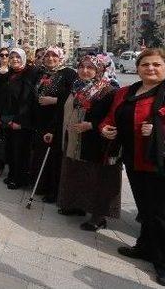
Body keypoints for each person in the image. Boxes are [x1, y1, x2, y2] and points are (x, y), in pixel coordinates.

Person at [101, 48, 165, 285]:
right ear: (137, 68)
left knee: (160, 214)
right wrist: (105, 129)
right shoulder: (126, 92)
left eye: (156, 64)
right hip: (133, 159)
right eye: (145, 64)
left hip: (159, 162)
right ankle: (145, 247)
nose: (150, 68)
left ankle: (162, 262)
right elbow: (111, 117)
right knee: (146, 211)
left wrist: (159, 129)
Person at [56, 54, 119, 231]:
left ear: (99, 70)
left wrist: (91, 124)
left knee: (95, 177)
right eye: (82, 66)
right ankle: (78, 205)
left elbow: (113, 117)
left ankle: (98, 217)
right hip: (74, 139)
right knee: (77, 172)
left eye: (90, 68)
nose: (85, 71)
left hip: (94, 141)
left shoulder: (107, 90)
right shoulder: (77, 87)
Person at [34, 46, 77, 204]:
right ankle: (42, 185)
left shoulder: (68, 73)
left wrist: (55, 100)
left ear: (60, 58)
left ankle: (54, 190)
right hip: (41, 120)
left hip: (58, 118)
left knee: (54, 156)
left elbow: (74, 95)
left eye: (54, 56)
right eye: (47, 56)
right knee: (41, 153)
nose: (50, 59)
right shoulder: (42, 73)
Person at [0, 48, 36, 190]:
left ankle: (19, 179)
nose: (14, 60)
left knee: (20, 150)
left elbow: (27, 100)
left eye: (17, 57)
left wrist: (19, 121)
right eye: (11, 57)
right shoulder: (9, 75)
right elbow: (2, 97)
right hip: (7, 118)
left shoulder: (29, 74)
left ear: (23, 58)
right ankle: (12, 175)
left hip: (21, 120)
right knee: (11, 149)